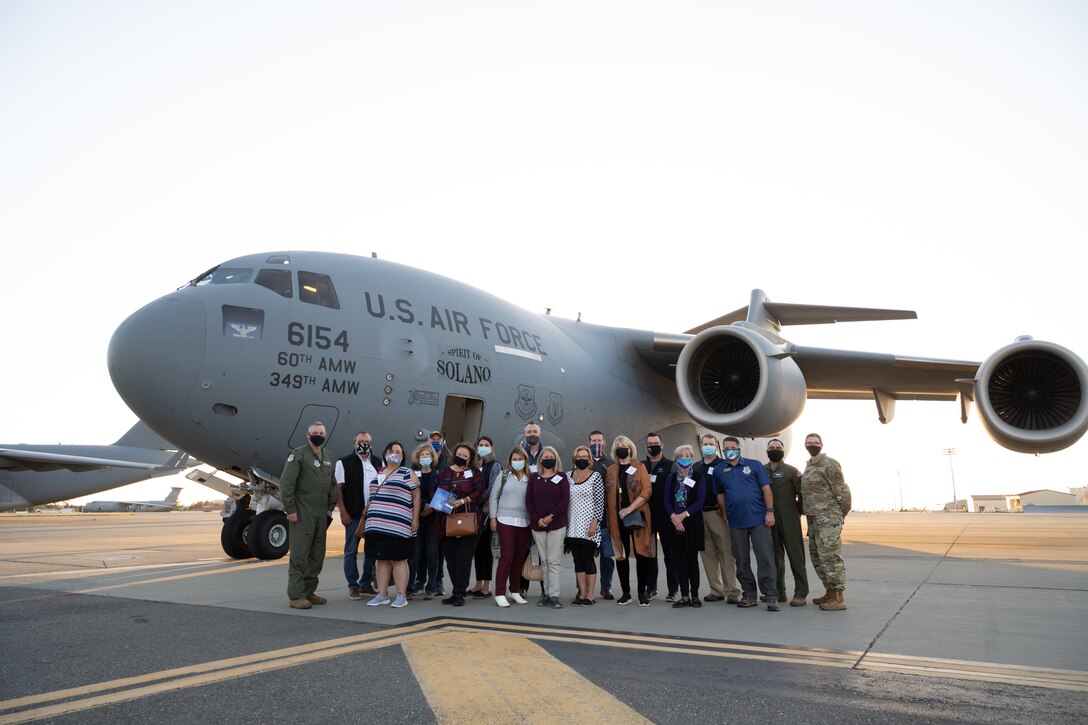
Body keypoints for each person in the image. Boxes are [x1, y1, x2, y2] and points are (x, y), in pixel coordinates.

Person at [714, 437, 779, 612]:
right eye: (726, 448)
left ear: (739, 448)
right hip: (736, 522)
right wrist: (726, 515)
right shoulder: (719, 470)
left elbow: (766, 489)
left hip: (759, 519)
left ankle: (771, 595)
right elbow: (720, 495)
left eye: (732, 447)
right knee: (741, 559)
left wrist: (770, 511)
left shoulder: (754, 465)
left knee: (765, 557)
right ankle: (749, 594)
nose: (729, 450)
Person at [280, 422, 338, 609]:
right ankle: (296, 596)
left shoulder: (328, 456)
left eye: (321, 433)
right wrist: (290, 509)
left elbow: (332, 484)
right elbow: (287, 483)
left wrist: (330, 507)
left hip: (321, 513)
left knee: (317, 555)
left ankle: (309, 592)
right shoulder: (299, 455)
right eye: (315, 433)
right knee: (299, 555)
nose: (318, 435)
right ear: (308, 434)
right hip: (302, 512)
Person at [362, 441, 420, 608]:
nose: (394, 454)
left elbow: (416, 496)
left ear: (402, 456)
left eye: (398, 451)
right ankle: (382, 594)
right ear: (385, 454)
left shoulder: (407, 473)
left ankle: (401, 595)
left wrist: (415, 519)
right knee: (381, 559)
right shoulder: (380, 472)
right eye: (391, 451)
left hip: (399, 525)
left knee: (399, 559)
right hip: (376, 524)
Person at [801, 433, 852, 611]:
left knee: (830, 556)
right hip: (814, 519)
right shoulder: (810, 465)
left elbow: (842, 491)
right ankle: (830, 591)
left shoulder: (829, 464)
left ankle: (838, 597)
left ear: (821, 445)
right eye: (809, 442)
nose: (812, 444)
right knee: (817, 556)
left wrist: (838, 515)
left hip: (828, 518)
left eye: (816, 442)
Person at [604, 435, 655, 606]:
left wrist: (629, 509)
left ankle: (641, 593)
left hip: (637, 517)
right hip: (617, 520)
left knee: (642, 555)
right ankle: (626, 592)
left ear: (630, 448)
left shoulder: (639, 467)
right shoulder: (611, 470)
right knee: (621, 556)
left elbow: (647, 491)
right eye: (618, 446)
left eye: (624, 446)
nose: (622, 449)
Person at [693, 434, 742, 604]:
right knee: (707, 554)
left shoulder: (723, 465)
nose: (708, 446)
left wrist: (727, 513)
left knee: (725, 552)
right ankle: (716, 590)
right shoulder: (696, 467)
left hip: (718, 513)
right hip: (699, 515)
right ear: (701, 446)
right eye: (705, 444)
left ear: (717, 446)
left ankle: (732, 590)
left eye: (711, 444)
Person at [436, 443, 485, 606]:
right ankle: (455, 591)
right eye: (459, 454)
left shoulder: (475, 473)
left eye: (465, 456)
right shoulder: (444, 472)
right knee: (451, 559)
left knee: (463, 558)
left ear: (470, 458)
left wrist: (463, 500)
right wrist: (445, 503)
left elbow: (480, 491)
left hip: (469, 520)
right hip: (447, 520)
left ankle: (460, 593)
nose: (461, 458)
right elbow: (435, 491)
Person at [334, 431, 382, 600]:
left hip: (373, 515)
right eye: (360, 441)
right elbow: (338, 489)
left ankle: (365, 584)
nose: (364, 444)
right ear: (354, 442)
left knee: (371, 552)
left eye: (367, 441)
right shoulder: (343, 462)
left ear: (371, 443)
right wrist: (343, 511)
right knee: (351, 551)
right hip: (353, 515)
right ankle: (353, 586)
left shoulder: (378, 462)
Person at [765, 438, 809, 607]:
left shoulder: (791, 471)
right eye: (772, 447)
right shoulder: (761, 470)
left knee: (795, 555)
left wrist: (798, 511)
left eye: (778, 447)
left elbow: (801, 494)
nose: (775, 449)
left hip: (789, 518)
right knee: (774, 557)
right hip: (769, 519)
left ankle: (801, 593)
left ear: (783, 451)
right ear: (767, 451)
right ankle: (778, 592)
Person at [525, 446, 569, 608]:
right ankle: (546, 594)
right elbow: (528, 501)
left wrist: (551, 517)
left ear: (555, 459)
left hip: (556, 524)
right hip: (538, 525)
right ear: (540, 460)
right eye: (545, 457)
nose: (548, 459)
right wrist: (538, 519)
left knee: (554, 561)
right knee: (544, 561)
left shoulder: (561, 477)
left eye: (551, 457)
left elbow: (565, 500)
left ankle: (554, 595)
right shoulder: (534, 477)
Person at [664, 444, 706, 608]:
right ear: (676, 459)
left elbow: (700, 501)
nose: (684, 459)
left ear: (692, 458)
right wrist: (674, 518)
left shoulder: (698, 477)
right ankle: (684, 596)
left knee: (692, 560)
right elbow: (667, 500)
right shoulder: (671, 478)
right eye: (681, 456)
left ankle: (695, 595)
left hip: (692, 522)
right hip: (675, 524)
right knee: (680, 561)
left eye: (687, 456)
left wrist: (683, 515)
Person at [489, 448, 532, 607]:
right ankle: (500, 592)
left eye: (520, 459)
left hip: (524, 522)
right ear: (510, 460)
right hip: (505, 520)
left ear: (525, 460)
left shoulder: (530, 478)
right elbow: (493, 497)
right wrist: (493, 518)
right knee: (507, 556)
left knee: (519, 558)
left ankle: (514, 590)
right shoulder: (504, 475)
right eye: (515, 459)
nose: (517, 462)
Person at [566, 445, 604, 606]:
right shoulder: (568, 476)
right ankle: (581, 593)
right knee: (578, 561)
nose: (581, 459)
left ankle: (590, 594)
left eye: (584, 457)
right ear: (574, 459)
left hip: (589, 526)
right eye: (578, 457)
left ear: (589, 460)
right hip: (572, 526)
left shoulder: (595, 477)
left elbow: (599, 503)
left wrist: (594, 523)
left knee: (588, 560)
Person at [643, 432, 676, 602]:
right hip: (647, 517)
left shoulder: (671, 465)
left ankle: (673, 590)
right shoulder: (641, 466)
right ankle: (651, 588)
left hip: (666, 517)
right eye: (650, 444)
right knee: (650, 555)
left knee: (670, 554)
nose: (653, 446)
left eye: (656, 443)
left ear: (662, 445)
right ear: (646, 446)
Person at [468, 435, 501, 598]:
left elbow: (493, 486)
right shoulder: (473, 466)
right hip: (474, 511)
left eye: (486, 445)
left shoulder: (494, 465)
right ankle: (478, 583)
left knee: (486, 548)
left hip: (486, 511)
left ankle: (487, 585)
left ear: (491, 448)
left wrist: (477, 498)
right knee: (477, 548)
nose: (483, 447)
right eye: (480, 444)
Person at [411, 443, 442, 600]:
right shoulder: (413, 474)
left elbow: (442, 494)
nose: (425, 457)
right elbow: (410, 493)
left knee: (432, 553)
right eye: (422, 455)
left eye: (427, 455)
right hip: (417, 517)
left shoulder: (438, 474)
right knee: (416, 553)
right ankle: (417, 582)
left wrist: (430, 508)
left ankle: (432, 585)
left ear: (432, 457)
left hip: (433, 519)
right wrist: (424, 505)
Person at [589, 430, 616, 599]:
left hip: (605, 518)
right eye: (594, 441)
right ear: (589, 443)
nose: (597, 444)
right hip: (586, 517)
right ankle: (583, 587)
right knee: (586, 556)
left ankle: (606, 587)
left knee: (607, 556)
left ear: (605, 443)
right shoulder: (584, 461)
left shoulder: (611, 464)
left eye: (599, 441)